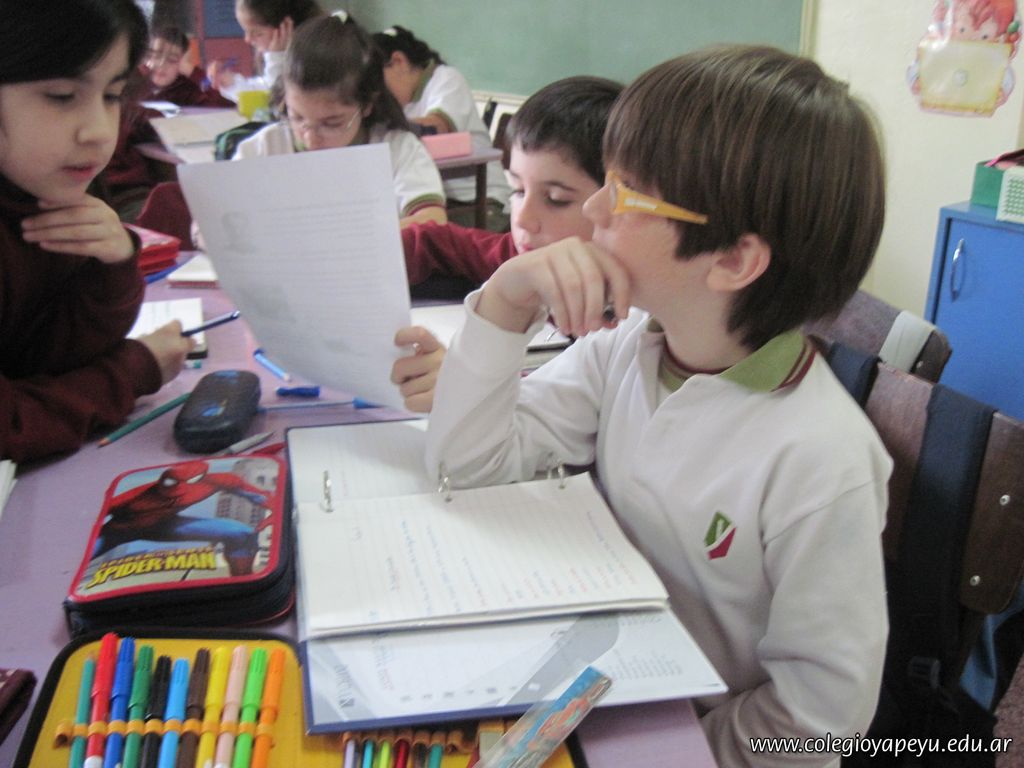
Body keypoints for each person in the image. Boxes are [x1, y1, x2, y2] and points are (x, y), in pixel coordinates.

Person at [424, 46, 892, 768]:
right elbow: (466, 466)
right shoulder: (631, 349)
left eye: (629, 193)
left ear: (732, 259)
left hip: (684, 739)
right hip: (598, 680)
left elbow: (820, 718)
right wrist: (507, 300)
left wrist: (671, 752)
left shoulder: (821, 459)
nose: (594, 208)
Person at [0, 0, 194, 462]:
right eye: (61, 96)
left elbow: (44, 359)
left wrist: (113, 265)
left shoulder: (43, 191)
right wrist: (133, 372)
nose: (99, 132)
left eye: (112, 95)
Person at [392, 75, 621, 412]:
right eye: (517, 190)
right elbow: (434, 241)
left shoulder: (641, 315)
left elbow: (588, 409)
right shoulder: (521, 258)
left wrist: (468, 380)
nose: (523, 218)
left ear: (618, 204)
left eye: (555, 199)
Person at [233, 14, 446, 228]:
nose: (311, 139)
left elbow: (432, 219)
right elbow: (223, 215)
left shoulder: (397, 149)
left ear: (367, 105)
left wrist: (363, 234)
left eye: (331, 124)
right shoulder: (263, 149)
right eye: (297, 117)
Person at [374, 25, 510, 221]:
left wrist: (381, 126)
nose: (378, 92)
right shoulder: (403, 103)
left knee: (420, 232)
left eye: (378, 81)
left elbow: (435, 128)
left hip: (481, 202)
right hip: (442, 201)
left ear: (398, 61)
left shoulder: (446, 79)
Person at [208, 0, 325, 102]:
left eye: (258, 33)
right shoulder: (274, 57)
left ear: (285, 28)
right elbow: (263, 92)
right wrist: (230, 82)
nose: (247, 39)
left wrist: (277, 57)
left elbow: (275, 101)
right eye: (245, 31)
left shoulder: (314, 61)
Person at [142, 25, 234, 108]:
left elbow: (225, 108)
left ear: (182, 63)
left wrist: (191, 71)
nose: (162, 64)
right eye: (157, 56)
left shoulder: (187, 89)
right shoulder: (137, 80)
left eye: (171, 60)